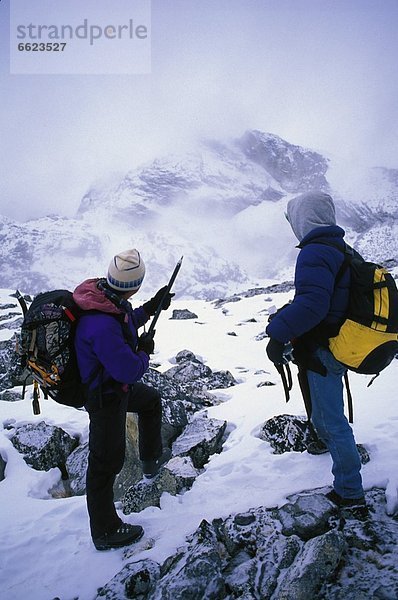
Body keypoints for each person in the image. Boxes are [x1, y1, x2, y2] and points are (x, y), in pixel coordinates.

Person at [266, 191, 366, 512]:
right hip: (337, 345)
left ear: (302, 219)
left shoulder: (314, 252)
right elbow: (328, 299)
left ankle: (350, 493)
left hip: (323, 351)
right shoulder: (341, 249)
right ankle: (348, 482)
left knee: (332, 422)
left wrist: (277, 334)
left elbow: (313, 304)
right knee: (329, 419)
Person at [73, 249, 173, 551]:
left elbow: (125, 320)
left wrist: (152, 307)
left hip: (116, 389)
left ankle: (150, 462)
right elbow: (129, 370)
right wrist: (144, 351)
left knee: (151, 401)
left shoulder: (108, 297)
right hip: (105, 396)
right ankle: (104, 531)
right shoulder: (100, 324)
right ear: (135, 284)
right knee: (105, 462)